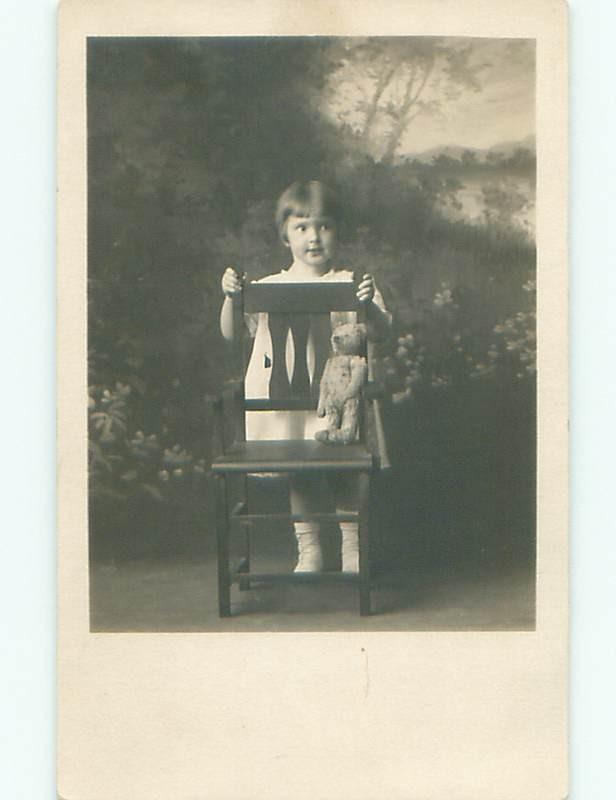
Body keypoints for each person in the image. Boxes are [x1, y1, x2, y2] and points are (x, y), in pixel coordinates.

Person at [220, 180, 391, 573]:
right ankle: (309, 549)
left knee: (343, 473)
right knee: (300, 473)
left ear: (338, 231)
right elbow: (231, 332)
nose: (314, 237)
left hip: (338, 404)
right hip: (288, 405)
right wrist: (231, 297)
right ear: (285, 235)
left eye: (324, 226)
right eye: (302, 227)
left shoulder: (352, 284)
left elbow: (381, 333)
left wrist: (369, 308)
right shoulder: (269, 288)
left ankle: (352, 548)